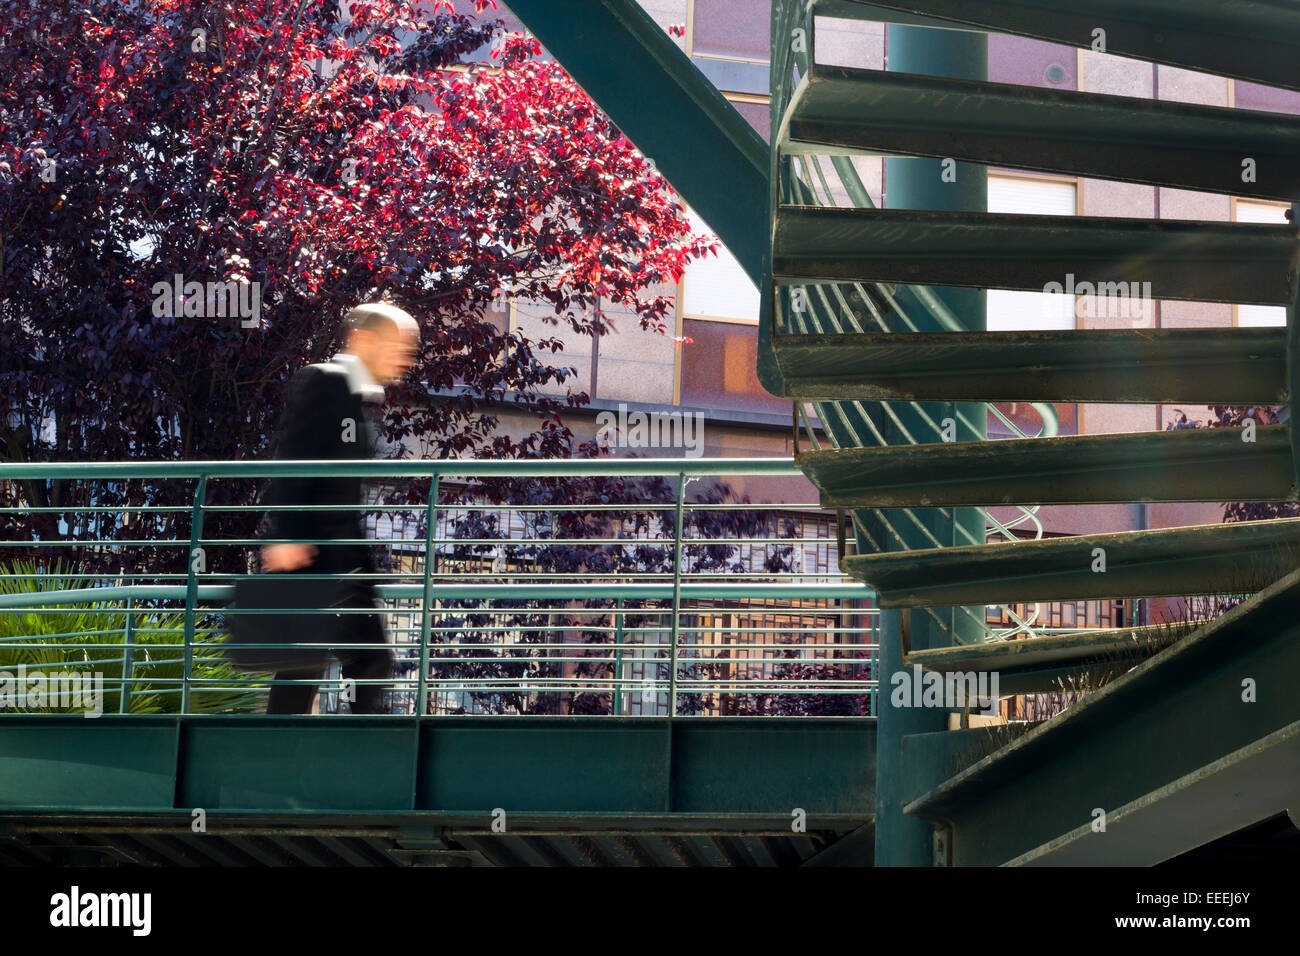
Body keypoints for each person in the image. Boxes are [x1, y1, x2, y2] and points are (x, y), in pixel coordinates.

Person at [258, 302, 420, 714]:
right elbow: (292, 459)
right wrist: (286, 537)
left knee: (359, 663)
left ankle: (348, 760)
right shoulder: (325, 381)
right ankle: (287, 764)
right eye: (395, 347)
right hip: (312, 558)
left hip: (343, 563)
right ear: (363, 340)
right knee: (308, 667)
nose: (403, 358)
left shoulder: (361, 397)